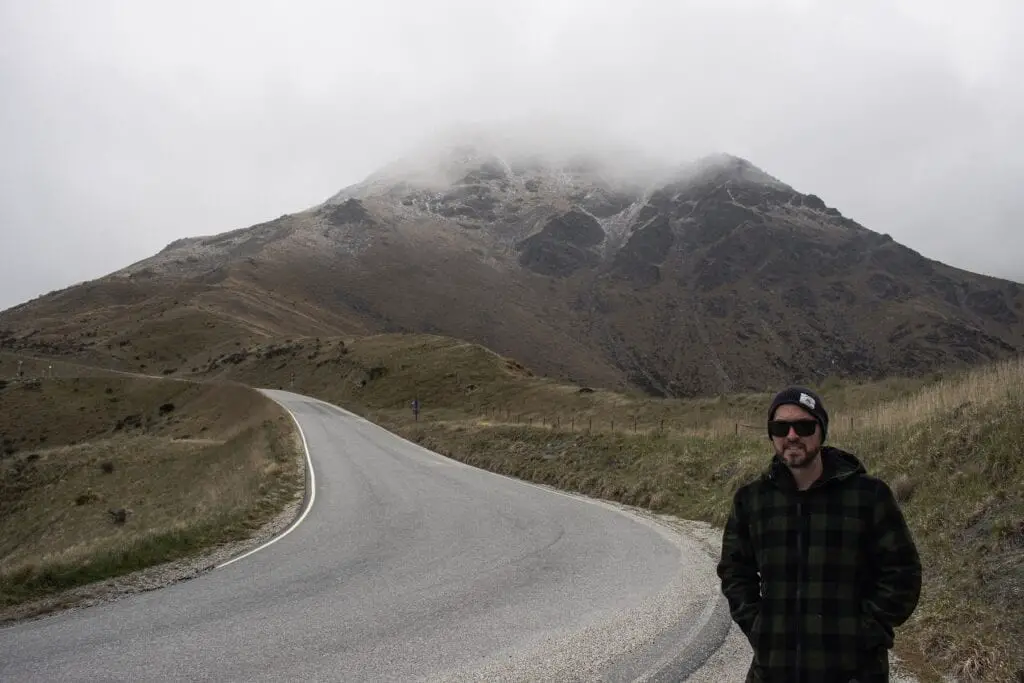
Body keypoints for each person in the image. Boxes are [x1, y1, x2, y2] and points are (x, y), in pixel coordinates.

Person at [716, 386, 922, 682]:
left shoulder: (868, 496)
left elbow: (903, 572)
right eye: (780, 427)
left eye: (803, 426)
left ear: (821, 430)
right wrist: (760, 627)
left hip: (855, 672)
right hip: (774, 671)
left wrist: (864, 631)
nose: (791, 436)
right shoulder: (751, 500)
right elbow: (735, 571)